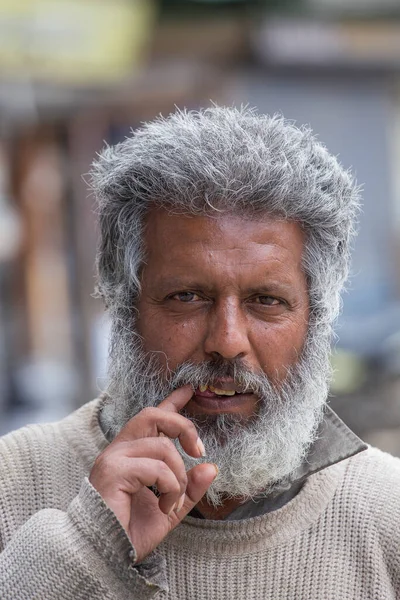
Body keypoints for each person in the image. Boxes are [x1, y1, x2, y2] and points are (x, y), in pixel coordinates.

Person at [0, 106, 399, 600]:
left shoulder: (389, 515)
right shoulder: (14, 482)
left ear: (316, 320)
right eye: (187, 297)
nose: (227, 341)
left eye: (266, 301)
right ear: (125, 308)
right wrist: (84, 546)